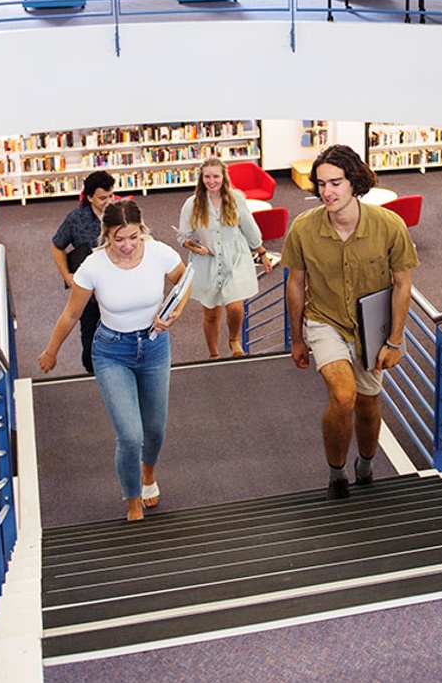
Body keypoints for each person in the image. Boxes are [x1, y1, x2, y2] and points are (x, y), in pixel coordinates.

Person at [280, 144, 419, 501]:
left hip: (371, 329)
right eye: (321, 184)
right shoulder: (304, 228)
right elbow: (295, 283)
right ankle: (337, 473)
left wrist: (395, 341)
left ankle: (366, 465)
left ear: (354, 182)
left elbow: (402, 284)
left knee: (368, 406)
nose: (326, 191)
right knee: (343, 396)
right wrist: (297, 339)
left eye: (335, 183)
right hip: (324, 321)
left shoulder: (389, 226)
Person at [39, 199, 190, 522]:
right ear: (106, 234)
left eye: (133, 236)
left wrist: (175, 312)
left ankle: (148, 474)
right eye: (119, 239)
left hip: (154, 347)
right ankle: (132, 500)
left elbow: (184, 280)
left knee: (155, 429)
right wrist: (51, 351)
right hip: (111, 352)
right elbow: (71, 314)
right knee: (130, 436)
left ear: (142, 230)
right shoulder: (93, 266)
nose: (127, 245)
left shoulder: (158, 252)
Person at [177, 156, 273, 359]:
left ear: (223, 177)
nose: (211, 181)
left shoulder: (236, 198)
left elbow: (249, 227)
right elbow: (182, 236)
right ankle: (213, 354)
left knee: (235, 307)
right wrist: (191, 246)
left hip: (235, 258)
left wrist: (262, 252)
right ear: (201, 178)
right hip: (206, 261)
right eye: (207, 177)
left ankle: (233, 339)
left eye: (216, 176)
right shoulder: (191, 204)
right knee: (211, 313)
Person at [51, 170, 115, 374]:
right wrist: (67, 276)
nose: (109, 201)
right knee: (89, 342)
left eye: (111, 195)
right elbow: (57, 245)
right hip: (88, 294)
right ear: (89, 197)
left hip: (117, 288)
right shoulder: (76, 219)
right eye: (103, 198)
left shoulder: (120, 214)